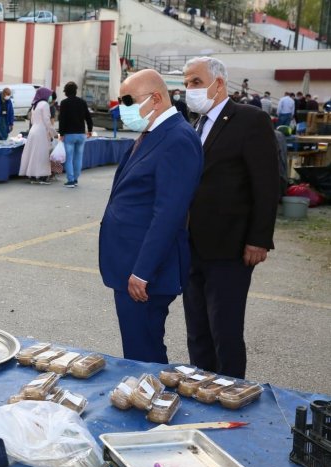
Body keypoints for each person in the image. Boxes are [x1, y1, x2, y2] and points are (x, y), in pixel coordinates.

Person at [182, 56, 279, 379]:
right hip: (193, 246)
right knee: (197, 330)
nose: (189, 90)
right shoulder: (196, 125)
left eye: (195, 82)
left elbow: (267, 184)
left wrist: (259, 239)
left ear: (219, 83)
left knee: (225, 330)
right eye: (186, 84)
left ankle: (231, 390)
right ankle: (202, 385)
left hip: (231, 247)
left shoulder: (249, 120)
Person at [99, 69, 203, 364]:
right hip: (129, 264)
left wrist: (143, 271)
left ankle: (152, 403)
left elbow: (168, 214)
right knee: (137, 348)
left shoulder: (177, 139)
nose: (122, 108)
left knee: (144, 352)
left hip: (146, 273)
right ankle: (146, 397)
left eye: (128, 100)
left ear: (156, 98)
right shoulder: (152, 133)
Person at [58, 81, 93, 188]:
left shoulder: (64, 103)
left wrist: (61, 133)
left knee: (69, 158)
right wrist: (90, 130)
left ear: (66, 92)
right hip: (81, 134)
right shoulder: (82, 102)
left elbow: (62, 119)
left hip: (69, 134)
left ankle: (71, 180)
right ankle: (76, 178)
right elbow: (88, 117)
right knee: (78, 157)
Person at [19, 88, 57, 184]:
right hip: (41, 132)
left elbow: (32, 121)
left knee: (33, 154)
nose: (50, 97)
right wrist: (54, 133)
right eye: (49, 95)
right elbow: (47, 121)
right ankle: (41, 176)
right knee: (41, 155)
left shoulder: (34, 105)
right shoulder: (45, 105)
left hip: (33, 131)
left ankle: (32, 176)